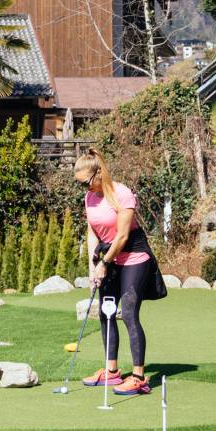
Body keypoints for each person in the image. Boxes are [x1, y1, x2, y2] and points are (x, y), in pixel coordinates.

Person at [74, 152, 166, 395]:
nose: (84, 187)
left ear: (99, 173)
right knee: (106, 313)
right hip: (107, 257)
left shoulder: (122, 194)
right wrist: (93, 266)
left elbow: (123, 236)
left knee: (128, 313)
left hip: (134, 256)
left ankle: (138, 377)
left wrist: (105, 262)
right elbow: (93, 232)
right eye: (80, 184)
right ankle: (112, 372)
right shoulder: (89, 198)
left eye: (86, 182)